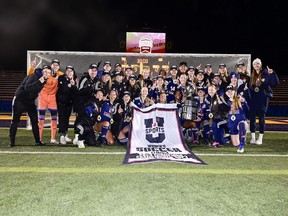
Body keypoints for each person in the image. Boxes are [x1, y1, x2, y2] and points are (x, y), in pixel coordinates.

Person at [9, 65, 51, 147]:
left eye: (48, 72)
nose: (46, 74)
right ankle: (11, 141)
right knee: (15, 121)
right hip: (20, 100)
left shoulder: (44, 80)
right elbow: (27, 88)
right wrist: (39, 81)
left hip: (30, 102)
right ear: (42, 71)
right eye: (45, 71)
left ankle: (38, 141)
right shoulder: (34, 76)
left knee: (35, 121)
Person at [248, 58, 279, 145]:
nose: (256, 65)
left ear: (260, 65)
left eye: (258, 64)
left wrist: (272, 73)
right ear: (253, 66)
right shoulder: (252, 75)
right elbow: (251, 87)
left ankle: (260, 138)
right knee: (252, 119)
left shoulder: (266, 73)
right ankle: (253, 138)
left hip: (263, 100)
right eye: (255, 64)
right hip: (253, 100)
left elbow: (275, 83)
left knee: (261, 119)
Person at [38, 59, 64, 144]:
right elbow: (36, 72)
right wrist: (32, 67)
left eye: (57, 65)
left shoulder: (60, 74)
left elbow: (68, 76)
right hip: (43, 98)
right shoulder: (44, 73)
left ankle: (52, 138)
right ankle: (39, 138)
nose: (55, 66)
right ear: (51, 65)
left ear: (59, 66)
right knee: (41, 119)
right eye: (54, 65)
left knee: (54, 118)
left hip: (52, 98)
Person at [56, 65, 77, 144]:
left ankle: (65, 134)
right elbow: (63, 89)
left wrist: (73, 84)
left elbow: (75, 92)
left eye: (71, 71)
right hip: (61, 102)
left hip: (69, 103)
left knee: (67, 118)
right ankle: (62, 135)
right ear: (65, 72)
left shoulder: (75, 79)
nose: (69, 72)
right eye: (67, 70)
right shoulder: (61, 78)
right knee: (62, 118)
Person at [225, 85, 249, 153]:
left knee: (242, 125)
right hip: (232, 123)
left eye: (231, 91)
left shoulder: (239, 99)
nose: (229, 93)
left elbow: (247, 109)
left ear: (234, 92)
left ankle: (242, 146)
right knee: (235, 144)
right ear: (226, 93)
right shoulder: (226, 101)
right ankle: (229, 138)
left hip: (241, 120)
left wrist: (244, 101)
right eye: (228, 91)